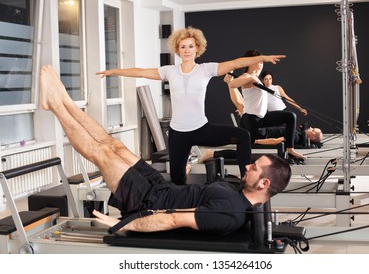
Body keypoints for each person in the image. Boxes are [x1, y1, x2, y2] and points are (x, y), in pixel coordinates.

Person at [39, 65, 291, 234]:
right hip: (160, 186)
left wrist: (124, 223)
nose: (247, 165)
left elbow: (172, 219)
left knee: (101, 153)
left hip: (146, 201)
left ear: (264, 184)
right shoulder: (240, 191)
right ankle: (65, 101)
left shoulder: (230, 213)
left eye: (254, 168)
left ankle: (55, 105)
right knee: (113, 144)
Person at [96, 27, 286, 184]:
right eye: (183, 47)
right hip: (178, 133)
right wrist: (114, 71)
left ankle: (246, 176)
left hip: (201, 128)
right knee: (177, 179)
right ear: (178, 50)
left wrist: (263, 58)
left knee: (243, 136)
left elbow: (236, 62)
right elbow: (141, 72)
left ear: (197, 49)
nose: (186, 50)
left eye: (190, 46)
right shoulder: (169, 71)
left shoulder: (206, 69)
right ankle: (184, 174)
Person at [224, 50, 305, 161]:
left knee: (290, 116)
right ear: (250, 62)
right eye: (259, 61)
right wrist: (246, 78)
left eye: (262, 61)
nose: (261, 63)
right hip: (251, 120)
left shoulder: (257, 77)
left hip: (263, 117)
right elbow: (233, 84)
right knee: (243, 152)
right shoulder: (247, 76)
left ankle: (289, 149)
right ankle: (214, 154)